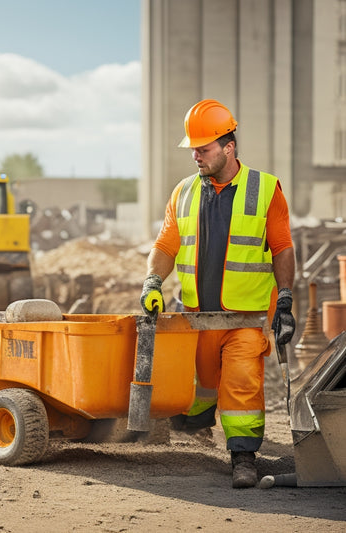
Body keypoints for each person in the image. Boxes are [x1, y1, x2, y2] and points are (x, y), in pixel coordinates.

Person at [140, 99, 296, 489]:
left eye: (203, 148)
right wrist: (152, 283)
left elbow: (282, 248)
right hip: (196, 317)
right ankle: (195, 425)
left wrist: (286, 299)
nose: (195, 155)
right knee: (201, 387)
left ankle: (243, 457)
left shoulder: (266, 190)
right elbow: (165, 246)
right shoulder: (183, 192)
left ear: (229, 146)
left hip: (246, 318)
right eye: (192, 148)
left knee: (241, 382)